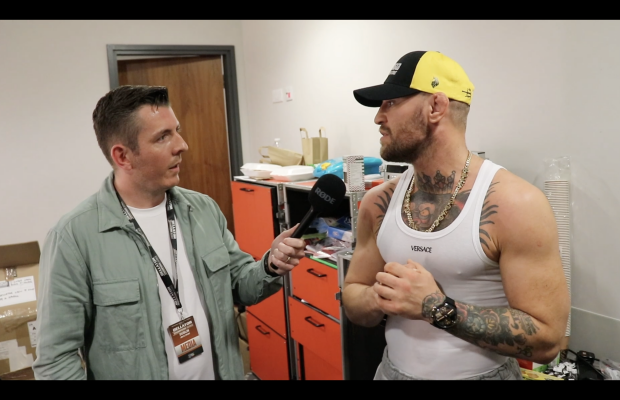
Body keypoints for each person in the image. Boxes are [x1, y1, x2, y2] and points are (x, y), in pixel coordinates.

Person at [32, 85, 305, 380]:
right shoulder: (74, 238)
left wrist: (270, 265)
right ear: (123, 157)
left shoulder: (202, 210)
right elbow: (56, 361)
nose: (182, 145)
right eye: (163, 137)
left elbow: (240, 284)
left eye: (177, 131)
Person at [342, 51, 570, 380]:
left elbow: (548, 339)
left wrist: (435, 307)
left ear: (436, 106)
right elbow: (353, 295)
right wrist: (381, 295)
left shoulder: (515, 204)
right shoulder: (379, 202)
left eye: (391, 102)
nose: (379, 117)